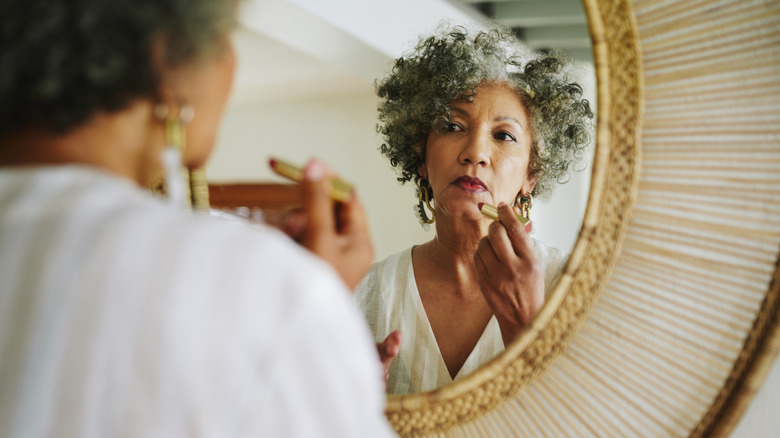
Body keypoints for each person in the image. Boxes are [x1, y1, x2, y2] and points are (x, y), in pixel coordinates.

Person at [0, 0, 395, 436]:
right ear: (169, 55)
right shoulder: (265, 288)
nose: (234, 62)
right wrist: (310, 321)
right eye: (228, 36)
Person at [356, 24, 594, 395]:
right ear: (421, 157)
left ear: (532, 174)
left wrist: (526, 326)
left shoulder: (578, 288)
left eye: (503, 136)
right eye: (452, 126)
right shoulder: (359, 296)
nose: (474, 153)